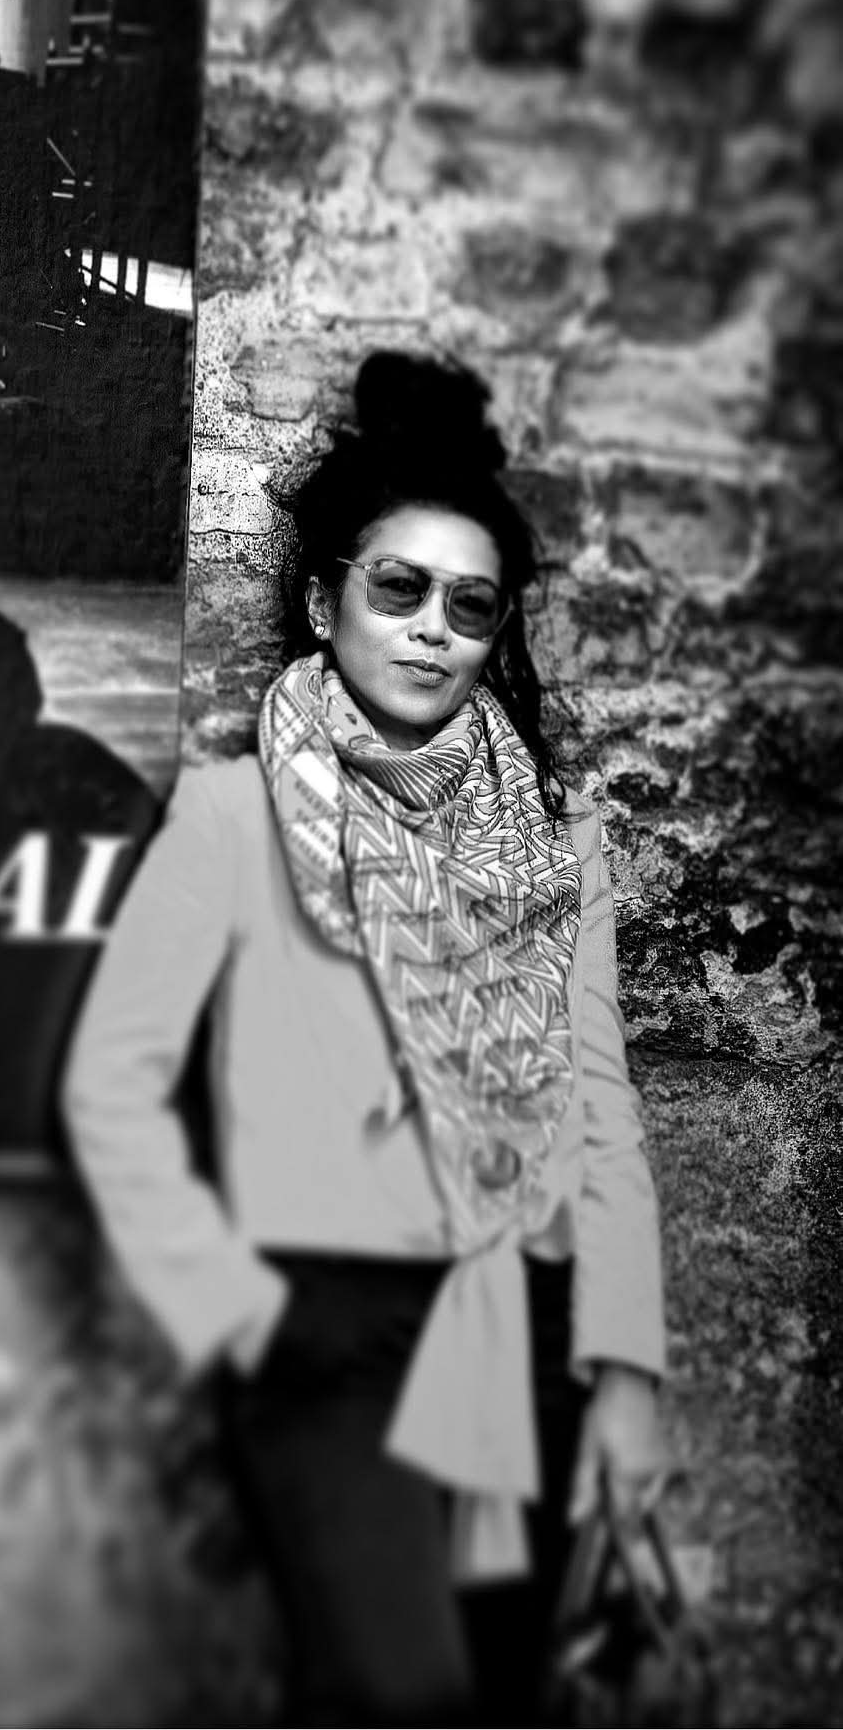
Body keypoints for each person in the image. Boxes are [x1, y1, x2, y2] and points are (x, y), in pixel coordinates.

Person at [62, 352, 667, 1726]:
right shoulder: (230, 817)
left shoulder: (554, 840)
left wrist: (626, 1373)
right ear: (323, 598)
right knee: (405, 1690)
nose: (432, 628)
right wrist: (237, 1311)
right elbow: (110, 1083)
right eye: (398, 588)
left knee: (502, 1693)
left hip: (526, 1323)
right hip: (326, 1335)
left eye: (470, 603)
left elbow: (600, 1105)